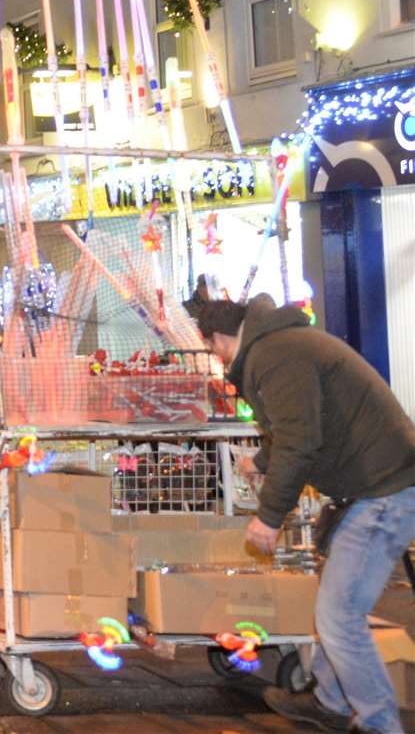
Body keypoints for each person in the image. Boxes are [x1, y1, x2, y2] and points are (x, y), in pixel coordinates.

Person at [198, 295, 415, 734]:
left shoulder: (274, 355)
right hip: (381, 487)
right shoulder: (282, 344)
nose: (216, 359)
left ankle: (380, 723)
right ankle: (331, 702)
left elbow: (300, 440)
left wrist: (269, 516)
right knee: (337, 610)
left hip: (382, 492)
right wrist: (259, 462)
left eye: (211, 349)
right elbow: (303, 424)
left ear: (220, 338)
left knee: (340, 616)